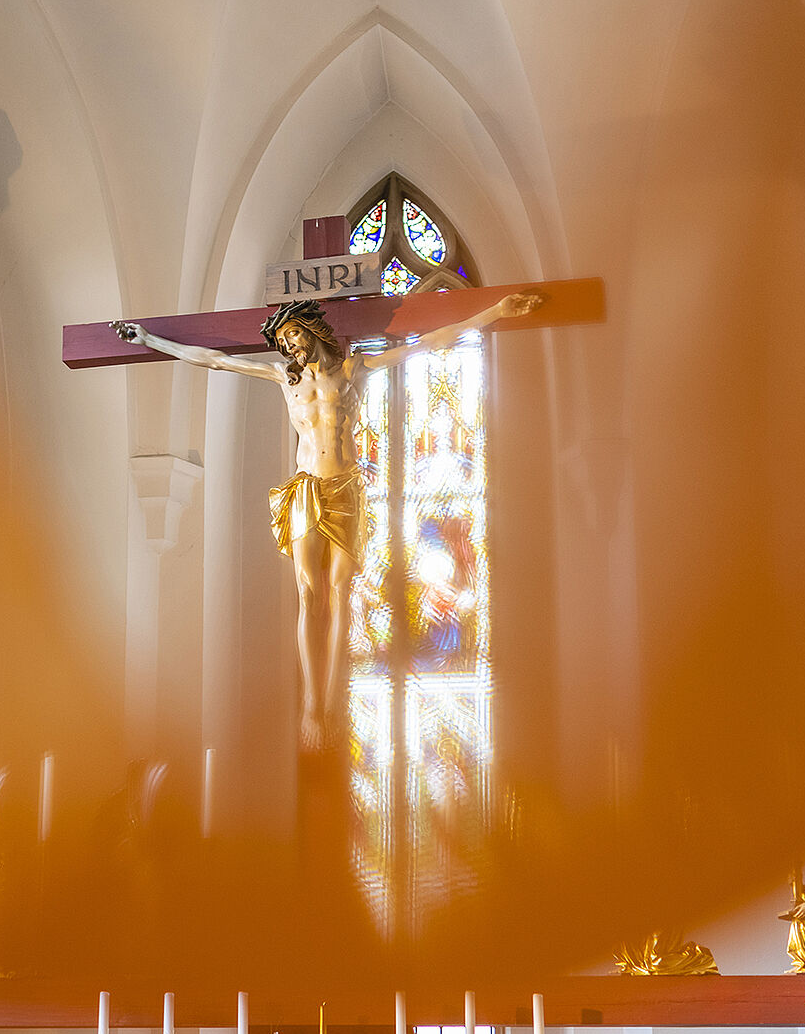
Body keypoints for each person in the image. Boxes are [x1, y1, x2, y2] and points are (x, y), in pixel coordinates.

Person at [114, 291, 542, 746]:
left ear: (310, 330)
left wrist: (496, 312)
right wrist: (150, 341)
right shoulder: (284, 378)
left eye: (292, 336)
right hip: (306, 489)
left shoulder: (353, 370)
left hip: (344, 490)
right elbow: (215, 360)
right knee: (308, 592)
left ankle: (333, 698)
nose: (289, 347)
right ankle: (310, 703)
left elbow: (429, 343)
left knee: (340, 593)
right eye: (283, 343)